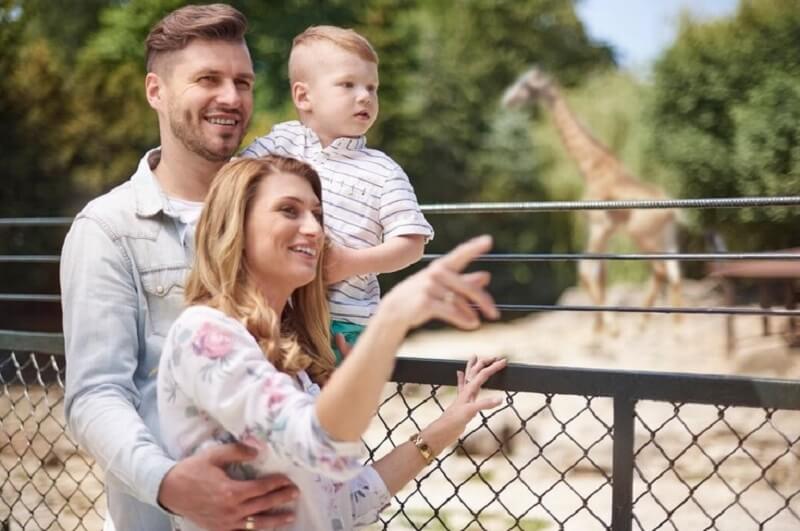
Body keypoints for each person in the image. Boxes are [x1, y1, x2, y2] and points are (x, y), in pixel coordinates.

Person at [157, 154, 506, 530]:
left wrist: (451, 423)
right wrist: (390, 319)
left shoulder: (289, 364)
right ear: (235, 226)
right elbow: (320, 444)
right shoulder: (204, 334)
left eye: (317, 215)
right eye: (289, 210)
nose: (314, 229)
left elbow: (346, 502)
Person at [60, 4, 298, 530]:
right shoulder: (108, 228)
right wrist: (167, 484)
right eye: (207, 79)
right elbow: (96, 394)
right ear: (156, 91)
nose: (231, 97)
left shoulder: (285, 217)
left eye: (243, 82)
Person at [242, 26, 434, 362]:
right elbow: (232, 184)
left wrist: (350, 263)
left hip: (342, 322)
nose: (365, 97)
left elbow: (412, 243)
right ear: (304, 97)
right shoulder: (280, 143)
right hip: (274, 309)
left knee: (334, 395)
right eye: (348, 85)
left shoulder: (383, 170)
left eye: (372, 87)